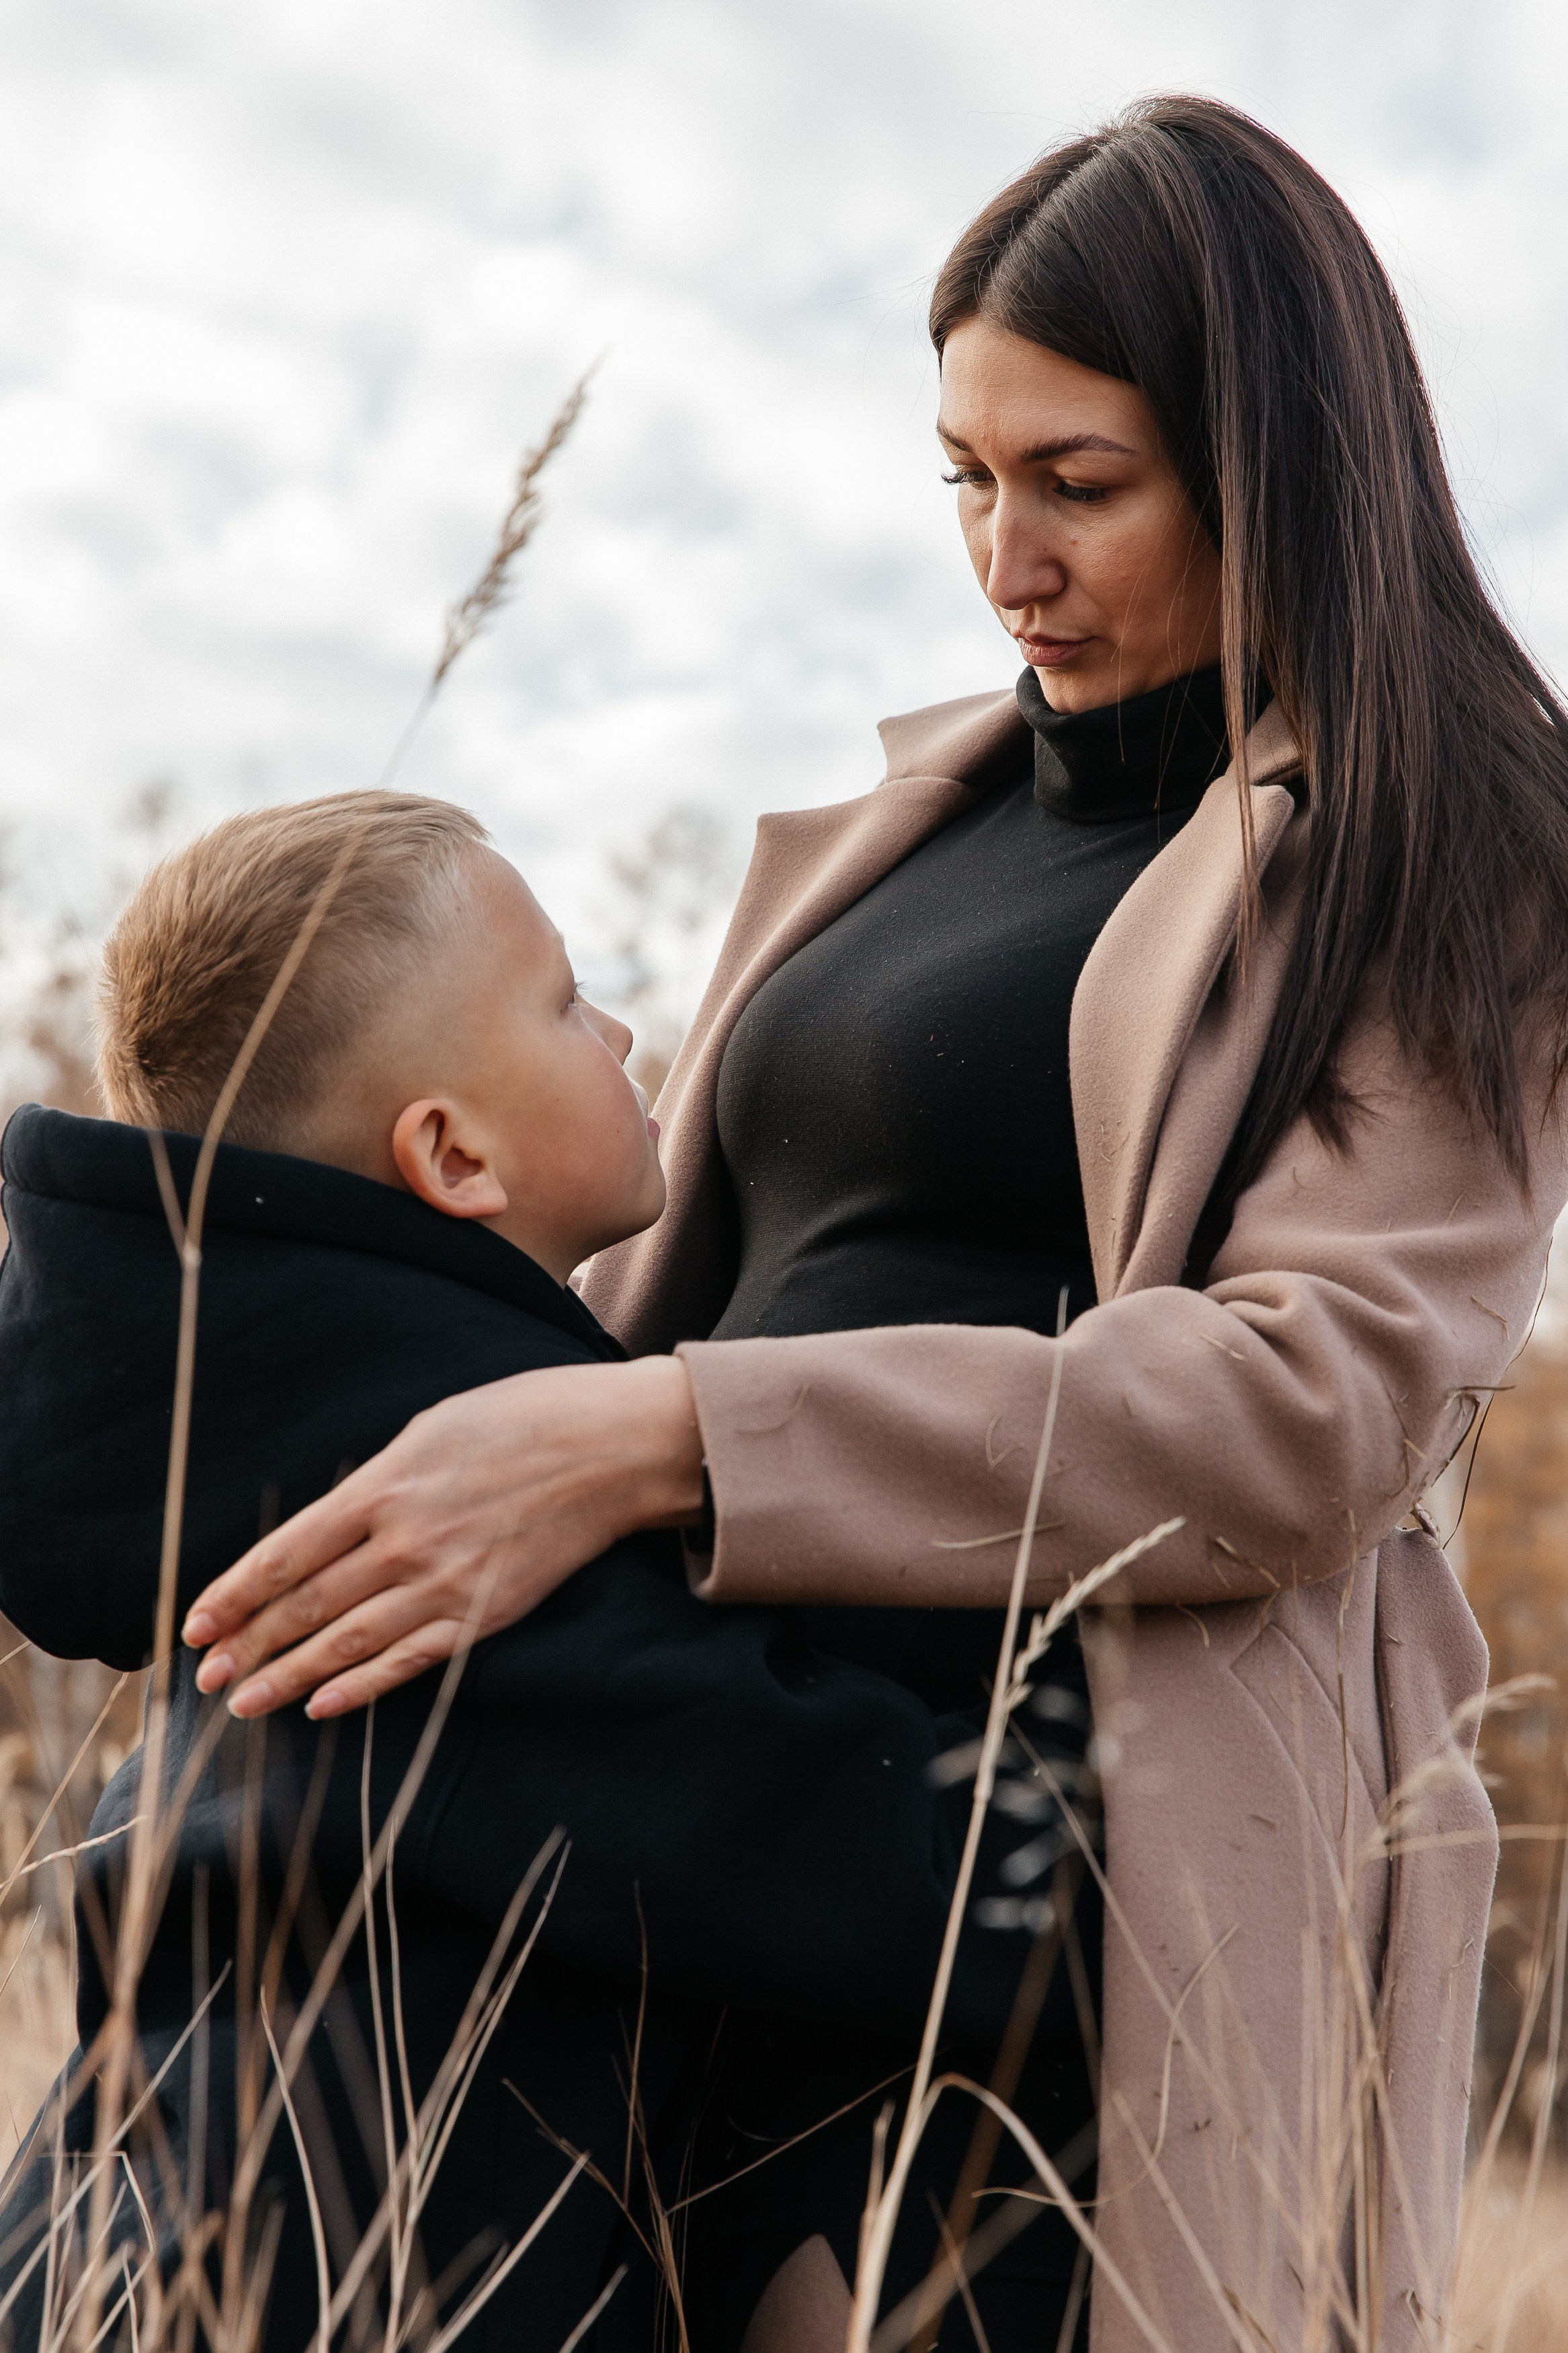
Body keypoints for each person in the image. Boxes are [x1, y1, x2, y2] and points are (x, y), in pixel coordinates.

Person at [173, 97, 1568, 2352]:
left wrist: (668, 1443)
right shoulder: (899, 830)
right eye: (964, 479)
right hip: (685, 1811)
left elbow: (1302, 1409)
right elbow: (659, 1273)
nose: (1004, 559)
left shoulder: (1450, 848)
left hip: (1052, 1902)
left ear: (1275, 470)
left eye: (1077, 483)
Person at [0, 793, 1039, 2352]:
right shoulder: (477, 1575)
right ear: (453, 1153)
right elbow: (959, 1888)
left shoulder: (260, 1484)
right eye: (564, 1000)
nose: (619, 1031)